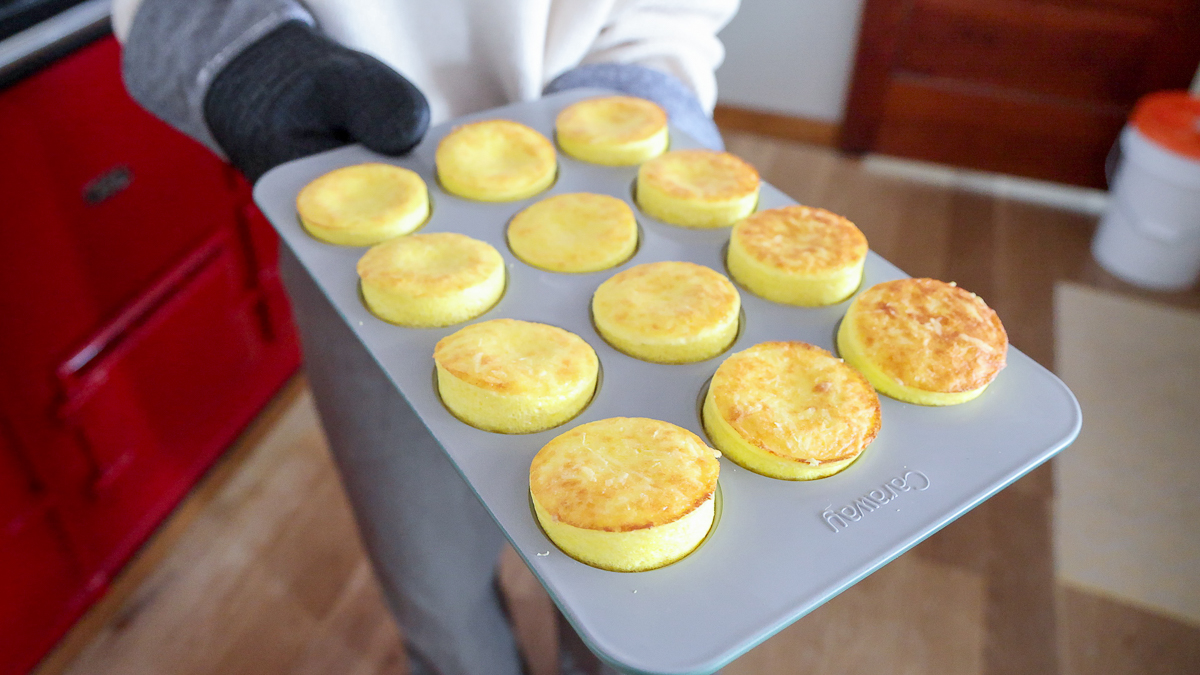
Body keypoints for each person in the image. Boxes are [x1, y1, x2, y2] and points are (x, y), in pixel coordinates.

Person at [112, 2, 739, 673]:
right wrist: (240, 53)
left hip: (616, 207)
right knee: (430, 579)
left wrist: (635, 103)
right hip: (359, 225)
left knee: (628, 574)